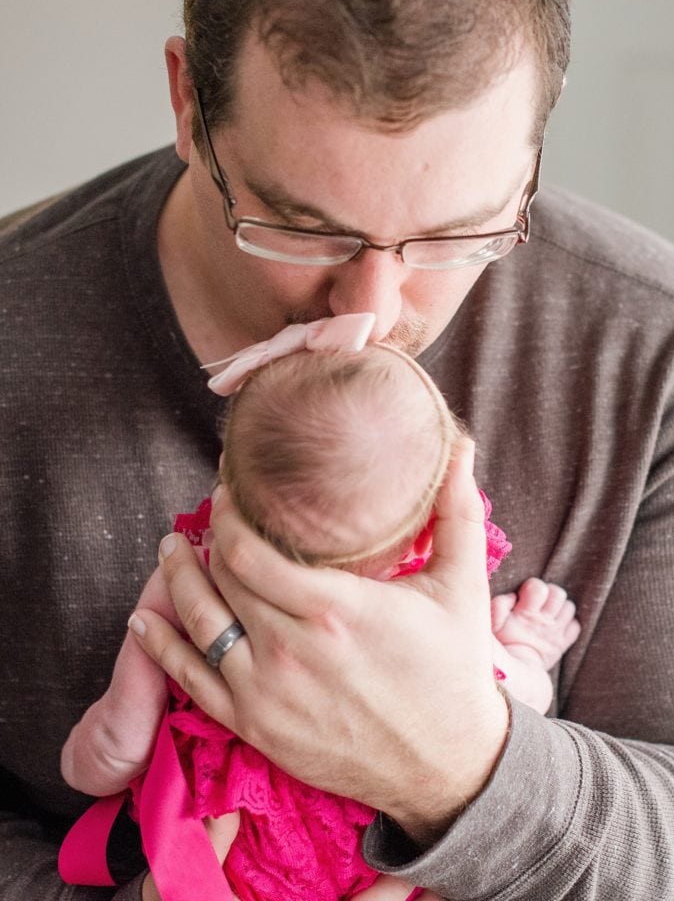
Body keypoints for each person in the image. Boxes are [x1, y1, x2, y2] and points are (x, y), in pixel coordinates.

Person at [0, 0, 674, 899]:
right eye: (300, 224)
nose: (374, 308)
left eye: (458, 234)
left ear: (533, 145)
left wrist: (460, 763)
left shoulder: (655, 357)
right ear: (188, 102)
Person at [59, 316, 580, 901]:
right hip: (368, 859)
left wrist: (88, 762)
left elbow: (118, 744)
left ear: (227, 470)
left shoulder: (191, 572)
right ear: (429, 530)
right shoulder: (429, 618)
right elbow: (516, 704)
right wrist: (527, 648)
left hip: (232, 856)